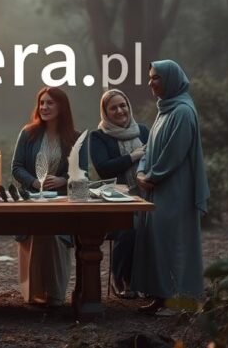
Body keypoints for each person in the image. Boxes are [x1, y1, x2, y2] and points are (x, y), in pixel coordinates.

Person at [131, 60, 210, 315]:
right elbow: (149, 148)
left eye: (156, 77)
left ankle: (179, 301)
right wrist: (141, 171)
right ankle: (161, 296)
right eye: (150, 77)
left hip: (175, 190)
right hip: (157, 188)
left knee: (175, 242)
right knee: (158, 241)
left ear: (170, 79)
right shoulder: (165, 109)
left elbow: (174, 153)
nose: (150, 83)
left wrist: (151, 176)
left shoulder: (183, 112)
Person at [10, 87, 78, 307]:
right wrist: (33, 182)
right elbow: (16, 167)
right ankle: (36, 292)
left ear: (62, 107)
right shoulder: (28, 134)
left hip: (61, 204)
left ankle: (55, 294)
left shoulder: (75, 138)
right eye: (42, 103)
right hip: (32, 201)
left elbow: (82, 172)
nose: (44, 107)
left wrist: (63, 180)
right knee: (38, 232)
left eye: (50, 103)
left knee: (54, 235)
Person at [86, 89, 149, 298]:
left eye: (123, 105)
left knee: (156, 227)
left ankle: (150, 281)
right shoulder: (98, 136)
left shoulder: (143, 131)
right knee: (129, 228)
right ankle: (121, 278)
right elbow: (104, 168)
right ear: (105, 112)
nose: (120, 111)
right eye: (113, 108)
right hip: (116, 200)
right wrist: (133, 156)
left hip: (146, 194)